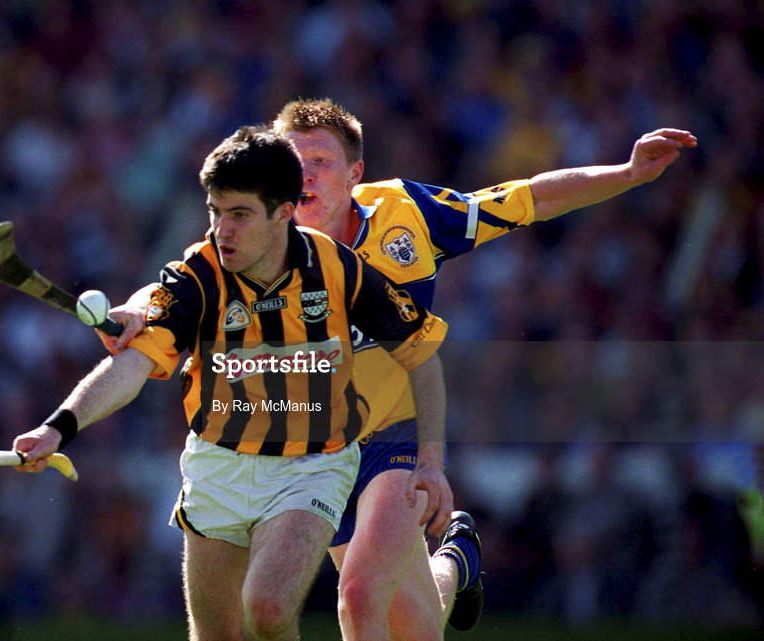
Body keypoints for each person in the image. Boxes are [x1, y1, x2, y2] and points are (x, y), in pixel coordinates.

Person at [100, 100, 698, 640]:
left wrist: (625, 174)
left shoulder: (407, 214)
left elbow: (528, 199)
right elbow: (186, 283)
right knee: (414, 623)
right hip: (313, 452)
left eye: (321, 162)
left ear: (355, 174)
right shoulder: (261, 230)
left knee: (360, 598)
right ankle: (457, 561)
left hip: (393, 438)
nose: (305, 175)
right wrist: (134, 308)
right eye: (294, 162)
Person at [13, 126, 453, 641]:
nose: (223, 230)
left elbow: (422, 355)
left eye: (240, 214)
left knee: (267, 609)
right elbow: (130, 368)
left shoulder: (337, 267)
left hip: (313, 464)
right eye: (215, 211)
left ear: (283, 213)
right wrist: (58, 428)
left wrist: (429, 462)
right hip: (219, 464)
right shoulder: (197, 278)